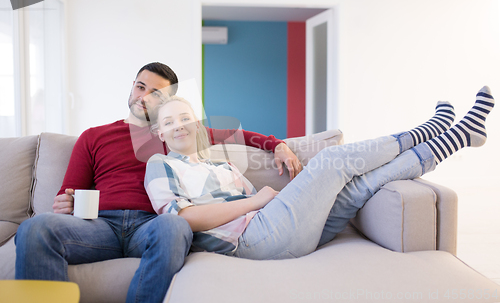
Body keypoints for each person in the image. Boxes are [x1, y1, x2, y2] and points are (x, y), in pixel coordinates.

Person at [14, 62, 301, 303]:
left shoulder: (174, 131)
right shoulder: (94, 136)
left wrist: (277, 145)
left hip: (152, 226)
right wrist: (65, 201)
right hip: (99, 227)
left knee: (176, 224)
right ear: (132, 87)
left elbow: (238, 134)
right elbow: (69, 193)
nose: (144, 96)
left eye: (155, 93)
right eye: (140, 87)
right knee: (35, 228)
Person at [145, 87, 494, 260]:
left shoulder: (222, 165)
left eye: (185, 118)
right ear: (159, 133)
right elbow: (183, 219)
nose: (179, 126)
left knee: (359, 189)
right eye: (169, 122)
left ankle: (455, 138)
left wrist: (299, 196)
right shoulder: (160, 165)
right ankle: (429, 129)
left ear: (197, 124)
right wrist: (256, 200)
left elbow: (267, 203)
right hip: (250, 243)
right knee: (330, 162)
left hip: (280, 226)